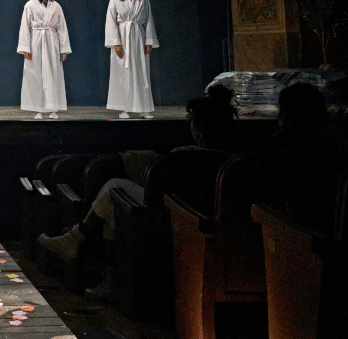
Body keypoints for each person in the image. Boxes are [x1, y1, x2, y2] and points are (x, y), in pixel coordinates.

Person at [37, 91, 239, 299]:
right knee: (119, 194)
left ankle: (81, 246)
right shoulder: (233, 160)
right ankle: (81, 246)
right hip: (191, 220)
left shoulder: (184, 156)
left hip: (170, 219)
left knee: (114, 191)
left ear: (200, 127)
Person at [104, 0, 158, 118]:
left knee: (141, 72)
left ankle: (144, 108)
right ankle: (123, 108)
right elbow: (111, 23)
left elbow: (148, 21)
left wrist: (149, 41)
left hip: (138, 37)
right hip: (122, 37)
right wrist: (116, 43)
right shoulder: (114, 0)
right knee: (122, 73)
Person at [18, 0, 71, 119]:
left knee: (53, 73)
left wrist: (63, 49)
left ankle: (54, 108)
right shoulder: (30, 5)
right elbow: (25, 27)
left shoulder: (56, 7)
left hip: (51, 43)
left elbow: (62, 28)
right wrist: (25, 47)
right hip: (36, 42)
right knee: (36, 74)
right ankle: (38, 109)